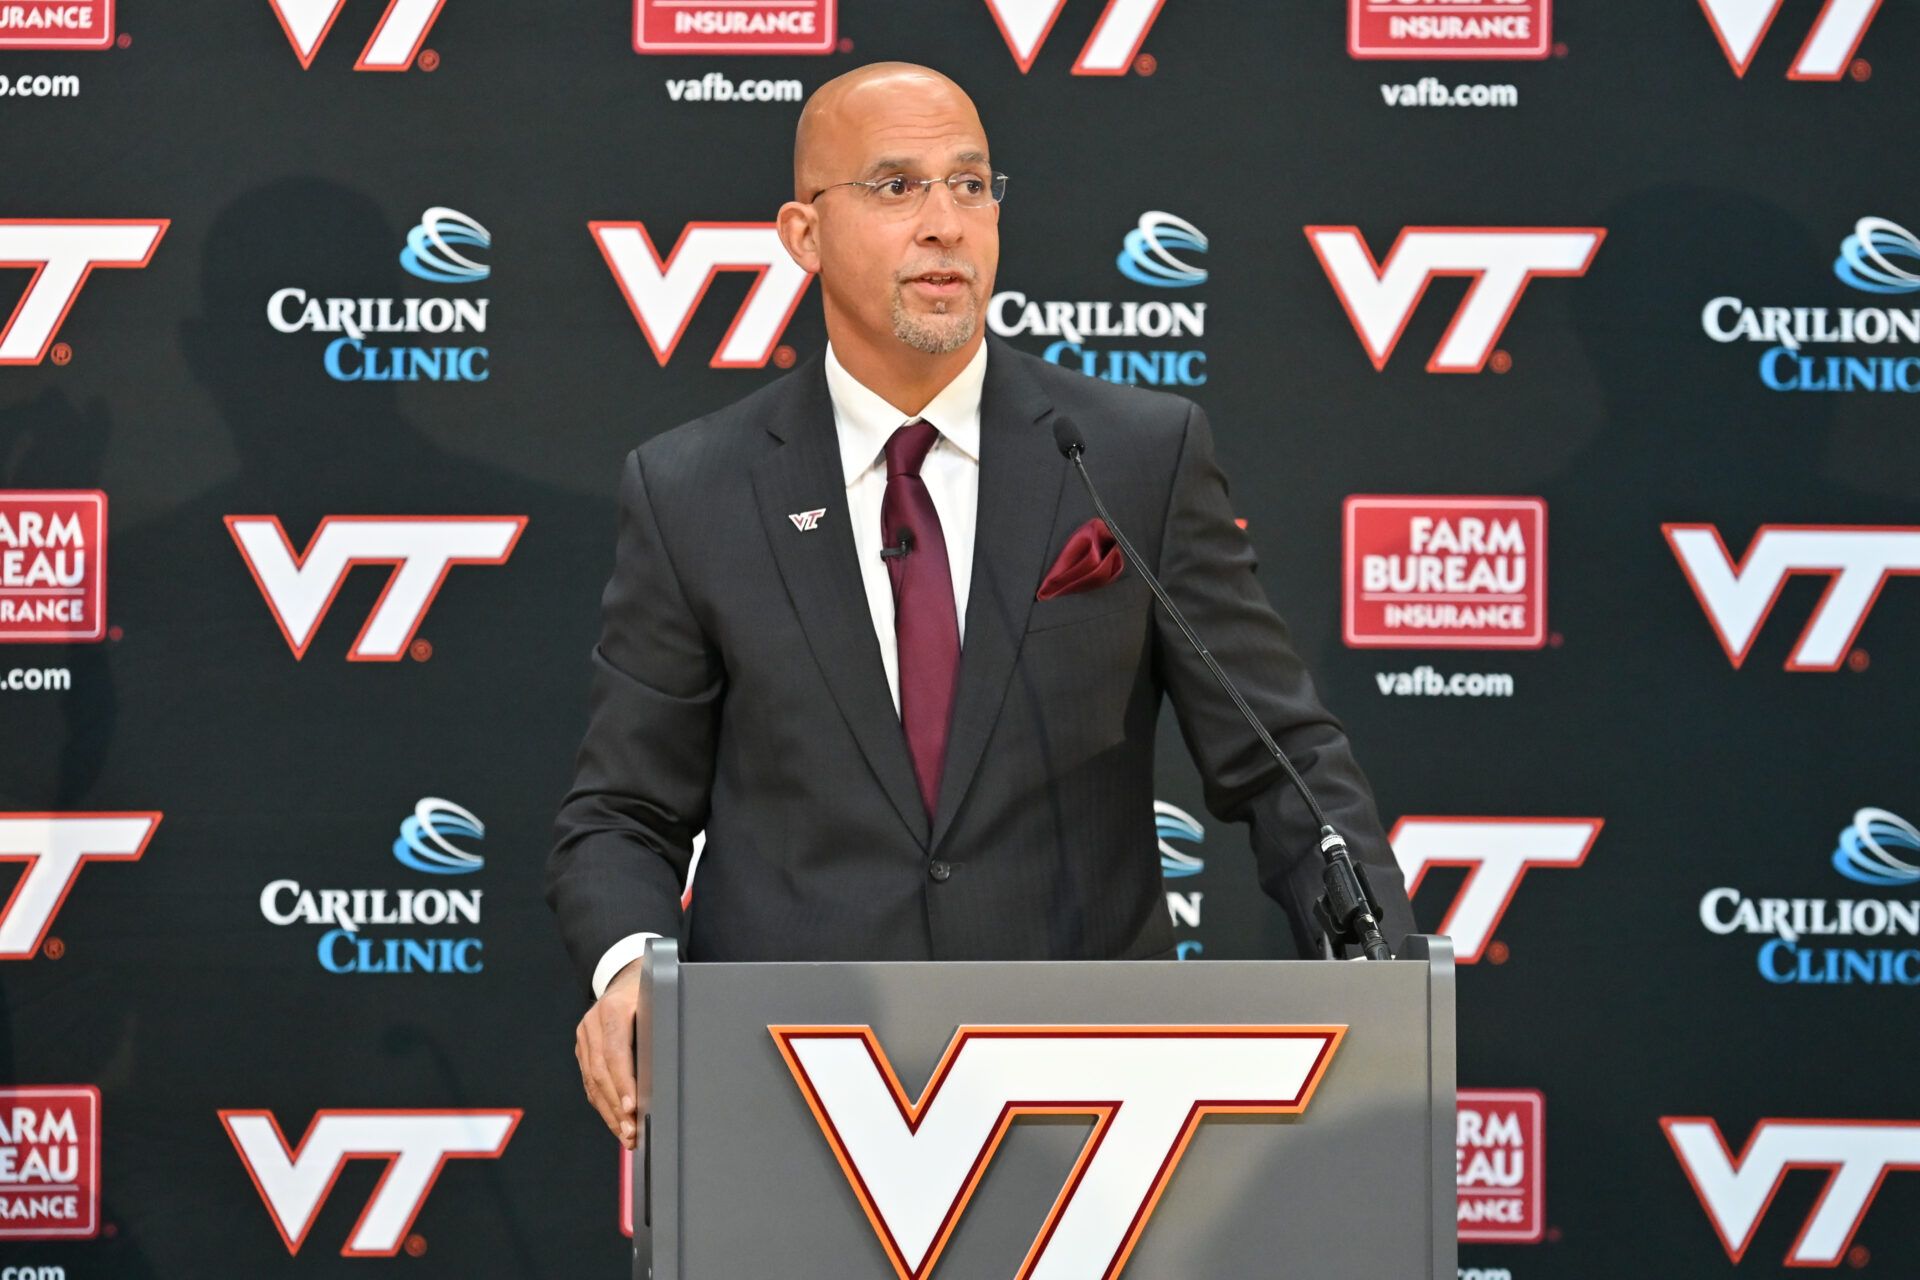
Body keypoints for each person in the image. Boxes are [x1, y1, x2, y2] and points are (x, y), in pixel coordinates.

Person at [548, 62, 1416, 1152]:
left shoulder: (1133, 460)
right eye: (897, 187)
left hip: (1089, 1104)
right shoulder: (692, 490)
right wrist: (633, 970)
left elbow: (1283, 758)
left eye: (971, 185)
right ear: (803, 235)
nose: (945, 225)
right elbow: (621, 813)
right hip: (787, 1102)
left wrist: (1383, 995)